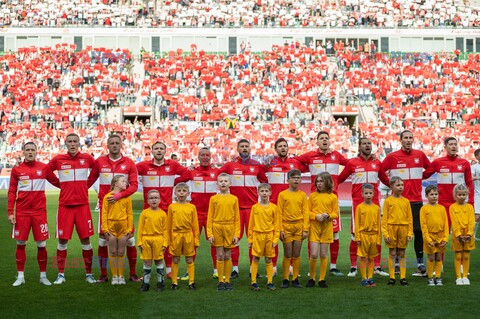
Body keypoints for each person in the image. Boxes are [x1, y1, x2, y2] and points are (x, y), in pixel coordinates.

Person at [87, 134, 139, 283]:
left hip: (123, 209)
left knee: (130, 241)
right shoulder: (99, 162)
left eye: (117, 143)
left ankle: (132, 273)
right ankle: (104, 274)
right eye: (112, 143)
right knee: (103, 241)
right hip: (106, 209)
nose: (115, 145)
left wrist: (119, 196)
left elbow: (134, 185)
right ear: (107, 146)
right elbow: (89, 181)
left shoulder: (129, 163)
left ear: (121, 145)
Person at [8, 142, 60, 286]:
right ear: (23, 152)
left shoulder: (43, 168)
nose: (30, 152)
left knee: (41, 244)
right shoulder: (17, 169)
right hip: (22, 213)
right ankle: (20, 276)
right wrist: (10, 212)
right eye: (28, 150)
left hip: (39, 213)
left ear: (36, 152)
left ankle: (43, 276)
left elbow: (56, 182)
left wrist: (74, 186)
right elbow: (12, 191)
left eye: (33, 150)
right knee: (20, 243)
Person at [297, 131, 348, 277]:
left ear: (329, 141)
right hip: (314, 202)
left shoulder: (336, 155)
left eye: (326, 138)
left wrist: (338, 181)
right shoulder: (310, 156)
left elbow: (350, 165)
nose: (324, 140)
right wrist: (307, 168)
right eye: (321, 138)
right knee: (312, 235)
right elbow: (295, 162)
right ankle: (311, 268)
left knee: (335, 234)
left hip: (332, 201)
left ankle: (333, 266)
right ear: (317, 142)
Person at [380, 130, 430, 276]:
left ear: (413, 140)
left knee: (418, 231)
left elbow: (431, 168)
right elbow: (380, 171)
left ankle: (420, 264)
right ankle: (396, 264)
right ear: (400, 140)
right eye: (405, 138)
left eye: (410, 138)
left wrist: (420, 177)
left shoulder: (420, 155)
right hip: (398, 202)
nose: (408, 140)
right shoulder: (392, 157)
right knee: (396, 231)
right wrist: (390, 185)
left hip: (415, 201)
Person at [48, 133, 96, 284]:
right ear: (66, 144)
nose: (73, 144)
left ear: (79, 143)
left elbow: (96, 172)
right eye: (70, 141)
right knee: (62, 240)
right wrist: (60, 185)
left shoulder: (87, 158)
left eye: (75, 141)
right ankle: (61, 274)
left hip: (82, 206)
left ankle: (89, 274)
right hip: (65, 206)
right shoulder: (58, 159)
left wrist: (85, 186)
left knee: (86, 239)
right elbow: (46, 172)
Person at [337, 137, 389, 277]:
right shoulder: (352, 163)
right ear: (359, 147)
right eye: (364, 144)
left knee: (376, 234)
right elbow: (339, 179)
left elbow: (385, 179)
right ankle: (353, 266)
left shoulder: (377, 162)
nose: (367, 146)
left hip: (375, 205)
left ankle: (377, 266)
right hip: (357, 205)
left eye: (369, 144)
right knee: (355, 235)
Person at [136, 141, 189, 277]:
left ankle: (169, 271)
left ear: (165, 151)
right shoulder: (143, 165)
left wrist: (173, 183)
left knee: (167, 240)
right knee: (147, 240)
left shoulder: (172, 164)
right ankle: (147, 272)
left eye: (161, 149)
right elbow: (130, 173)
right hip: (149, 209)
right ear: (151, 151)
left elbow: (187, 175)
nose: (159, 151)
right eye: (156, 149)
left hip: (166, 209)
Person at [219, 139, 267, 278]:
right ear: (238, 149)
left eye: (246, 146)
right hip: (236, 209)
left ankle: (254, 268)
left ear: (250, 148)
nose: (244, 148)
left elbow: (265, 181)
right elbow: (216, 174)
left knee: (253, 239)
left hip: (252, 209)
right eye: (242, 146)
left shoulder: (257, 165)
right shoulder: (230, 165)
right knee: (235, 239)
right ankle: (235, 269)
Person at [264, 138, 305, 276]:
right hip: (274, 207)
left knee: (292, 241)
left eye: (285, 146)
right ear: (275, 149)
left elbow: (309, 166)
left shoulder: (295, 163)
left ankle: (292, 267)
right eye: (280, 146)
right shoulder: (270, 162)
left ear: (288, 148)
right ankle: (273, 266)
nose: (283, 148)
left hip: (291, 209)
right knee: (273, 238)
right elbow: (258, 171)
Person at [423, 137, 474, 227]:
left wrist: (471, 200)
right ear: (445, 147)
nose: (453, 146)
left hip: (460, 201)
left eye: (455, 144)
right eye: (451, 144)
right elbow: (424, 175)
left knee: (461, 229)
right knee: (443, 229)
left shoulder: (464, 163)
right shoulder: (438, 162)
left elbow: (469, 182)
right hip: (443, 202)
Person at [184, 147, 219, 278]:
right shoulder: (192, 172)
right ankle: (189, 271)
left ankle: (217, 270)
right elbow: (177, 180)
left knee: (214, 242)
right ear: (198, 157)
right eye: (202, 155)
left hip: (212, 214)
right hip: (196, 214)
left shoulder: (217, 172)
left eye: (207, 155)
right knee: (193, 243)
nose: (205, 157)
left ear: (211, 157)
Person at [207, 173, 240, 291]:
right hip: (217, 227)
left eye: (225, 181)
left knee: (228, 255)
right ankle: (221, 281)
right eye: (221, 181)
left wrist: (237, 234)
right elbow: (210, 217)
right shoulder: (213, 199)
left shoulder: (234, 199)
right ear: (217, 184)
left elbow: (237, 217)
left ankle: (228, 280)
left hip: (229, 228)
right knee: (220, 255)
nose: (223, 183)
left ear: (230, 184)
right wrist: (210, 233)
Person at [276, 169, 309, 288]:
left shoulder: (302, 195)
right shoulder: (283, 194)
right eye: (294, 177)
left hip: (299, 227)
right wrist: (280, 229)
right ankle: (285, 279)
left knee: (296, 254)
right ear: (288, 180)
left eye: (298, 178)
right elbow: (279, 212)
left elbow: (306, 212)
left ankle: (295, 279)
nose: (296, 179)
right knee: (287, 253)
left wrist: (305, 229)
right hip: (286, 227)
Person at [306, 172, 339, 288]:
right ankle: (312, 278)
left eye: (321, 181)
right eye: (318, 181)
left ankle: (322, 279)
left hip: (326, 227)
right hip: (314, 227)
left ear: (328, 182)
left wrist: (328, 216)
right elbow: (307, 212)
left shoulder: (333, 197)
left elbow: (335, 213)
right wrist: (316, 216)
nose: (319, 184)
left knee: (324, 254)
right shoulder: (313, 196)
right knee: (314, 254)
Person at [101, 175, 133, 285]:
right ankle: (115, 276)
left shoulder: (127, 197)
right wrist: (105, 229)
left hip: (123, 227)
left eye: (126, 182)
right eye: (123, 181)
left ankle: (121, 276)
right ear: (115, 183)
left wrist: (129, 229)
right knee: (113, 251)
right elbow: (104, 213)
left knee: (121, 251)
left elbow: (129, 214)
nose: (126, 183)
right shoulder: (107, 197)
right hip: (111, 227)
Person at [167, 183, 199, 290]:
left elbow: (195, 225)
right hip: (176, 235)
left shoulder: (192, 207)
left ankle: (191, 281)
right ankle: (174, 282)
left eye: (184, 191)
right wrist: (168, 239)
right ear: (175, 193)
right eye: (179, 191)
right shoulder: (172, 207)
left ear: (188, 193)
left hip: (188, 235)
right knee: (175, 259)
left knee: (189, 259)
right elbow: (168, 225)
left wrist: (196, 240)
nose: (181, 193)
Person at [248, 183, 280, 291]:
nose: (264, 193)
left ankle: (270, 282)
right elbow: (251, 225)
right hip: (257, 236)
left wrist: (275, 239)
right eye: (262, 191)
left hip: (269, 236)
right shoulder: (254, 207)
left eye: (266, 191)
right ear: (258, 193)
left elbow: (277, 225)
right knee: (256, 257)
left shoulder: (274, 208)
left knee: (268, 259)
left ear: (270, 193)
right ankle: (253, 282)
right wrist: (250, 239)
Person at [382, 176, 413, 286]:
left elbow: (410, 218)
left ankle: (403, 277)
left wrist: (409, 232)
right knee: (392, 253)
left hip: (403, 229)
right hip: (391, 228)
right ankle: (392, 277)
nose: (401, 187)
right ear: (391, 187)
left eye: (402, 185)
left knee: (402, 253)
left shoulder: (406, 201)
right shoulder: (388, 201)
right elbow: (384, 218)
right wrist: (385, 233)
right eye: (398, 185)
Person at [138, 190, 168, 292]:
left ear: (159, 200)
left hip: (158, 239)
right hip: (146, 239)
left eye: (156, 198)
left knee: (159, 260)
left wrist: (165, 243)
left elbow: (165, 230)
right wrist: (139, 242)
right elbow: (140, 229)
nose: (154, 200)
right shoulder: (144, 213)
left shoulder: (163, 214)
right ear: (147, 200)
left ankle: (160, 282)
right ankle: (145, 283)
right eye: (151, 198)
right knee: (147, 261)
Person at [419, 185, 448, 286]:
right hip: (430, 237)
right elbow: (423, 225)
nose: (434, 196)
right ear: (426, 195)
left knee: (439, 258)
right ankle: (430, 277)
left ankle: (438, 277)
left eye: (436, 194)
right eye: (432, 194)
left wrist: (445, 237)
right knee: (431, 258)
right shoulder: (424, 209)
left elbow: (446, 224)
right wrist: (427, 239)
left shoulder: (442, 208)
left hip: (440, 237)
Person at [354, 183, 381, 287]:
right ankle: (364, 278)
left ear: (374, 194)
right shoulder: (359, 207)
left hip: (373, 236)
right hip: (363, 235)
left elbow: (379, 224)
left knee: (371, 258)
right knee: (363, 258)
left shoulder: (377, 208)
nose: (368, 195)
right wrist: (358, 237)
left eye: (370, 193)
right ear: (362, 194)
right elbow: (357, 223)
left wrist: (378, 239)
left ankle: (370, 278)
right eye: (366, 193)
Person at [450, 184, 475, 285]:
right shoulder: (452, 207)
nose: (462, 197)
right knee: (458, 256)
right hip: (458, 235)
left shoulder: (470, 207)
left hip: (468, 235)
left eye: (464, 194)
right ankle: (458, 277)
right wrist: (459, 235)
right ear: (455, 195)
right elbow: (454, 222)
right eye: (459, 195)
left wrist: (469, 234)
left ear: (467, 195)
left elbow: (471, 221)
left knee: (466, 256)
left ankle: (465, 276)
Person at [472, 149, 480, 240]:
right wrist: (478, 177)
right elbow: (470, 177)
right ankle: (472, 235)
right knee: (477, 216)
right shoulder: (474, 167)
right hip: (478, 194)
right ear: (477, 157)